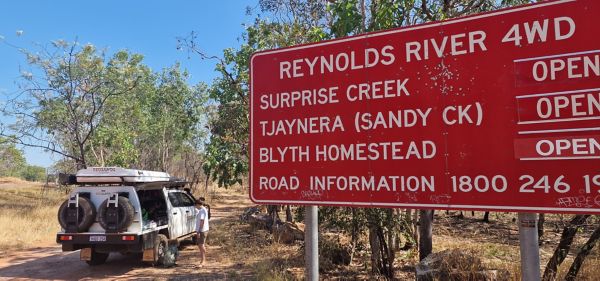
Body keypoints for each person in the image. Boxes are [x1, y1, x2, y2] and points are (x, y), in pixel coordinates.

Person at [195, 198, 210, 267]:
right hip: (202, 230)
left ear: (198, 204)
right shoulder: (202, 210)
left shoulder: (202, 211)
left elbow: (202, 221)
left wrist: (198, 231)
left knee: (201, 245)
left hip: (202, 230)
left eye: (196, 205)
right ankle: (202, 260)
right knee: (200, 245)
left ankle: (203, 261)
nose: (195, 207)